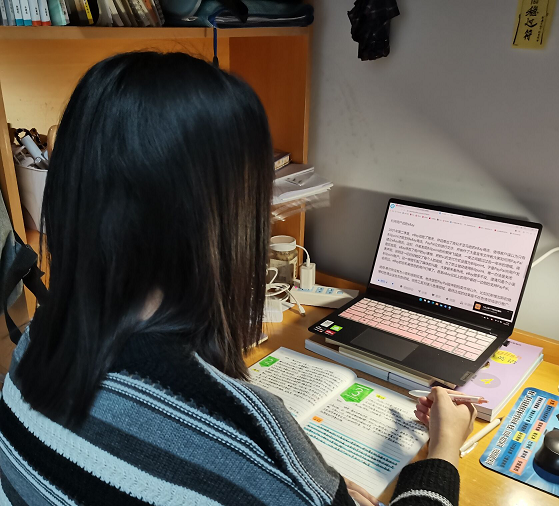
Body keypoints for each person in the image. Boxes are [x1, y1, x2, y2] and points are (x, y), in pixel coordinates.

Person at [0, 51, 476, 506]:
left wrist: (301, 487)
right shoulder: (246, 433)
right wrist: (444, 448)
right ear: (219, 218)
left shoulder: (38, 339)